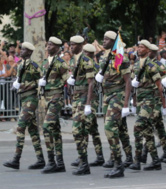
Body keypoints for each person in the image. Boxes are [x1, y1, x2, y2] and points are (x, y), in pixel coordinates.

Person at [3, 42, 45, 170]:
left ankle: (16, 159)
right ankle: (40, 160)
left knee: (20, 127)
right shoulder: (21, 65)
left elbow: (41, 81)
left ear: (30, 52)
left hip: (30, 99)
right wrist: (16, 83)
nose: (21, 51)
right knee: (32, 130)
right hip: (23, 99)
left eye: (25, 49)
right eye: (21, 49)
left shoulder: (33, 66)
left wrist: (24, 86)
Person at [95, 30, 132, 178]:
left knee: (110, 128)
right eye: (103, 38)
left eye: (106, 39)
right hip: (107, 95)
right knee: (121, 129)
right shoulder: (104, 56)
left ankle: (118, 164)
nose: (103, 41)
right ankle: (128, 157)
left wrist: (125, 104)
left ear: (113, 41)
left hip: (118, 95)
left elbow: (128, 81)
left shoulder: (120, 57)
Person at [129, 40, 166, 171]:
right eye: (138, 46)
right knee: (147, 131)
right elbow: (134, 86)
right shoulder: (136, 65)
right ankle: (155, 161)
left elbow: (160, 86)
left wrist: (163, 105)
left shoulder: (151, 65)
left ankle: (137, 160)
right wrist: (133, 102)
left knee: (138, 127)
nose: (139, 49)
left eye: (142, 47)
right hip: (140, 100)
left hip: (150, 101)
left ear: (148, 50)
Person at [70, 43, 105, 168]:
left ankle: (82, 159)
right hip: (80, 98)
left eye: (86, 53)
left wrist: (88, 104)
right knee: (92, 129)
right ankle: (98, 156)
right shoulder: (82, 62)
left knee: (80, 129)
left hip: (88, 99)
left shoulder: (90, 64)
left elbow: (91, 84)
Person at [39, 36, 69, 174]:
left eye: (51, 45)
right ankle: (60, 163)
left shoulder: (61, 63)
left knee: (46, 127)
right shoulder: (45, 62)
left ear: (57, 48)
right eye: (48, 45)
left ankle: (51, 161)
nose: (48, 47)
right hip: (47, 97)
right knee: (55, 130)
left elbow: (67, 80)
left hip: (56, 97)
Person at [147, 44, 166, 162]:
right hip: (146, 99)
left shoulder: (159, 66)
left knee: (147, 125)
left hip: (155, 99)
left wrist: (164, 104)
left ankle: (144, 154)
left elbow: (162, 85)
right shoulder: (142, 63)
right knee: (158, 126)